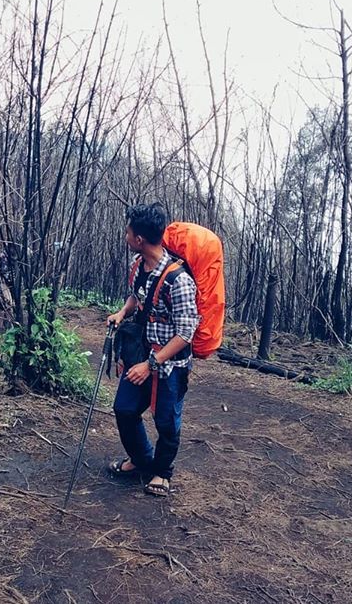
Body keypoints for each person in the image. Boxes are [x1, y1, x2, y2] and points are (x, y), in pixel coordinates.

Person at [105, 203, 200, 496]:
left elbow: (185, 334)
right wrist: (122, 312)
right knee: (124, 409)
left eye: (128, 232)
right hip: (140, 354)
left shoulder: (179, 280)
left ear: (139, 239)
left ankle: (162, 473)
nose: (125, 236)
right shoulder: (137, 265)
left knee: (166, 421)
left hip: (170, 365)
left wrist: (151, 364)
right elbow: (137, 296)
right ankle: (141, 460)